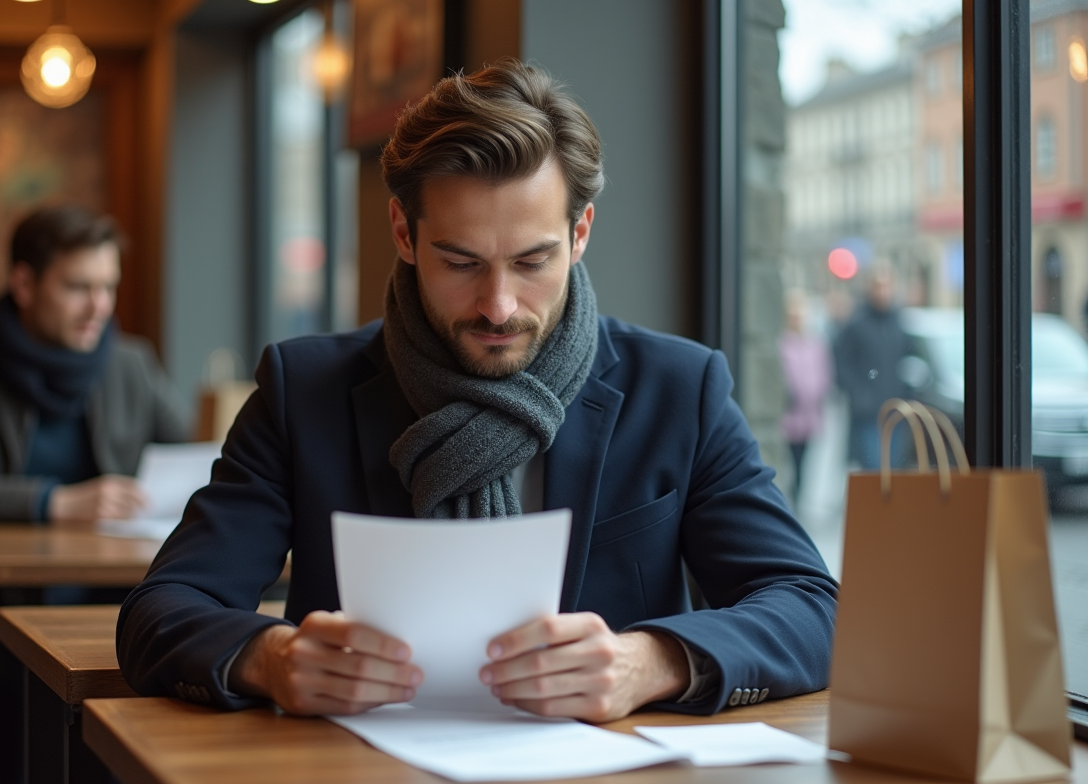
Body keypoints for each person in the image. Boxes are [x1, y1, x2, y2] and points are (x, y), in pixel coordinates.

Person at [118, 60, 837, 723]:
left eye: (533, 261)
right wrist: (267, 659)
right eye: (460, 261)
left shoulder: (680, 390)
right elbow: (162, 610)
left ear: (580, 231)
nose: (498, 305)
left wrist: (652, 661)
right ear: (404, 231)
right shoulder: (302, 390)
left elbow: (812, 608)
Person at [0, 204, 191, 784]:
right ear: (24, 284)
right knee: (26, 672)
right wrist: (55, 502)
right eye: (79, 287)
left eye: (107, 287)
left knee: (144, 662)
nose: (99, 307)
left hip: (108, 596)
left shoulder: (130, 364)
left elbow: (201, 465)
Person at [833, 267, 910, 471]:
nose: (882, 292)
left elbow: (908, 361)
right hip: (867, 414)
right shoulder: (856, 325)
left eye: (886, 286)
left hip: (895, 410)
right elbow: (841, 364)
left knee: (892, 469)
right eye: (878, 286)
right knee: (873, 469)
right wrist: (858, 395)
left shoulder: (898, 323)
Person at [778, 289, 832, 508]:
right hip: (789, 414)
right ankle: (790, 495)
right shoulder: (782, 343)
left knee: (804, 461)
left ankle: (798, 497)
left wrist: (819, 395)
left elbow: (824, 373)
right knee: (789, 459)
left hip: (809, 414)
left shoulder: (815, 344)